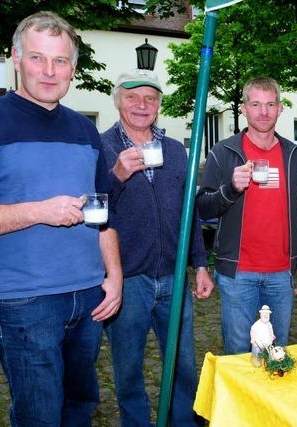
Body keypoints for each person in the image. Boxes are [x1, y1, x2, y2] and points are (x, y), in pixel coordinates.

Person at [0, 11, 122, 426]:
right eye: (37, 58)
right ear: (16, 58)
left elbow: (104, 213)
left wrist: (114, 276)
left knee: (80, 409)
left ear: (73, 68)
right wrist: (39, 211)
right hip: (25, 300)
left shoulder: (85, 131)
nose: (49, 71)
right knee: (39, 416)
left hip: (88, 297)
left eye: (60, 61)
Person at [100, 69, 214, 427]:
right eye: (132, 97)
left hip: (175, 274)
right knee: (128, 369)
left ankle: (185, 423)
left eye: (150, 98)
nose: (141, 105)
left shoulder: (176, 150)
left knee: (182, 364)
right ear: (118, 100)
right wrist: (116, 175)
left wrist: (199, 263)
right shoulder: (101, 147)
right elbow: (95, 208)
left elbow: (188, 211)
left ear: (159, 105)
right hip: (128, 278)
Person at [196, 76, 297, 355]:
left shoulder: (294, 155)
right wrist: (231, 188)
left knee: (277, 353)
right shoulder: (223, 152)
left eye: (270, 104)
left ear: (280, 108)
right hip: (238, 273)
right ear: (244, 108)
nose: (263, 112)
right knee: (238, 354)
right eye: (256, 104)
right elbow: (202, 207)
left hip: (281, 273)